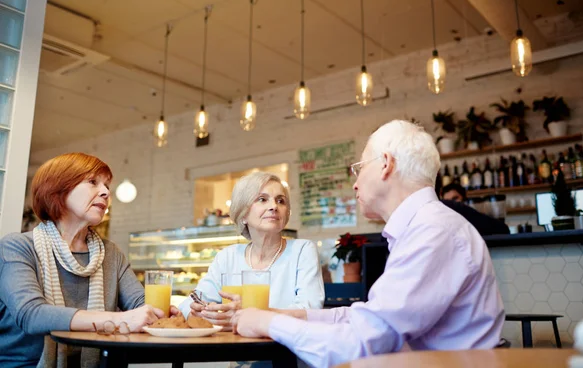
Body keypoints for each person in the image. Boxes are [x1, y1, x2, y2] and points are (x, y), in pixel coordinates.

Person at [231, 120, 505, 368]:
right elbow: (370, 318)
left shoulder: (433, 232)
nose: (355, 184)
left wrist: (268, 322)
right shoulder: (425, 227)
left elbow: (360, 344)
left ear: (386, 163)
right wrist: (296, 316)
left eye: (360, 168)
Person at [0, 153, 166, 368]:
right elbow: (32, 315)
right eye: (92, 182)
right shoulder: (17, 247)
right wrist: (117, 320)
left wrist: (169, 312)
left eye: (107, 186)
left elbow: (140, 305)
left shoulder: (111, 253)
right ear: (58, 189)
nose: (106, 192)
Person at [178, 172, 324, 329]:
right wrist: (198, 312)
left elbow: (310, 310)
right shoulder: (228, 257)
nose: (274, 206)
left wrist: (249, 314)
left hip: (282, 349)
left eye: (280, 201)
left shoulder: (302, 251)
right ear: (243, 214)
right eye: (262, 199)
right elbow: (191, 302)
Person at [436, 175, 510, 235]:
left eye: (455, 199)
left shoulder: (475, 217)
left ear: (464, 199)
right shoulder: (443, 225)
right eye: (448, 202)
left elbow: (502, 229)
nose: (452, 205)